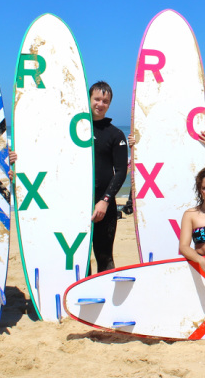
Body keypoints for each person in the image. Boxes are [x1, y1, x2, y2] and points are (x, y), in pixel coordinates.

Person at [89, 81, 128, 272]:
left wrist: (105, 200)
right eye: (96, 99)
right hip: (76, 205)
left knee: (104, 258)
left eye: (105, 101)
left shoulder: (116, 134)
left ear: (109, 104)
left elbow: (121, 172)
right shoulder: (74, 131)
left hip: (104, 206)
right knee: (77, 258)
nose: (100, 104)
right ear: (89, 99)